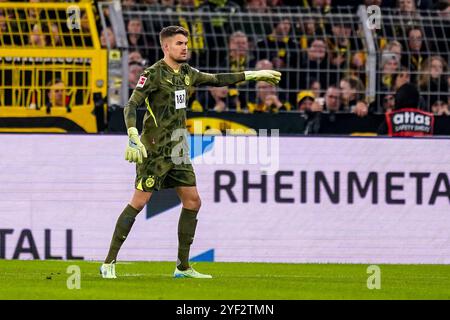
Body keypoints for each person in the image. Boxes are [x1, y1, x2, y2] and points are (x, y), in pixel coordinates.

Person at [100, 26, 281, 279]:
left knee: (193, 201)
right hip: (154, 148)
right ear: (166, 47)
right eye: (179, 43)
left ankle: (182, 267)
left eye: (186, 43)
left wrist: (255, 74)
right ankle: (108, 262)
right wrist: (132, 135)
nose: (185, 47)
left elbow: (218, 79)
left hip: (178, 149)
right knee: (139, 202)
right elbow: (131, 105)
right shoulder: (152, 74)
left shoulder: (187, 73)